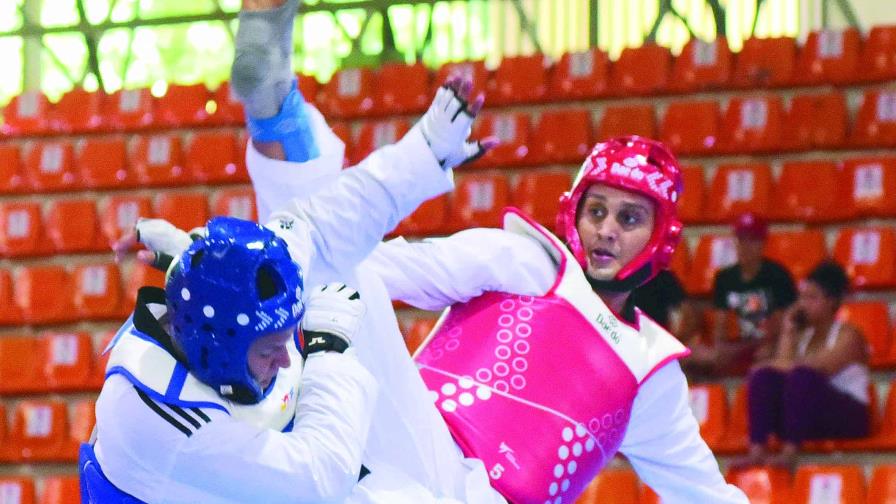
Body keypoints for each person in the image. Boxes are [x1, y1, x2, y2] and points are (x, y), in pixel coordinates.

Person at [86, 51, 504, 504]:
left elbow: (316, 224)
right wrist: (329, 352)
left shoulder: (202, 310)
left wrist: (425, 149)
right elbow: (321, 481)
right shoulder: (161, 418)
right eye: (269, 349)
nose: (286, 361)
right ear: (219, 347)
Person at [739, 260, 870, 470]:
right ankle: (757, 450)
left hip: (848, 416)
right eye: (801, 297)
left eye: (811, 298)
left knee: (802, 376)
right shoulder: (802, 336)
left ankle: (790, 452)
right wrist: (788, 333)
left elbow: (820, 367)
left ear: (831, 302)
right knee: (764, 377)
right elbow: (779, 373)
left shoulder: (849, 335)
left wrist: (778, 364)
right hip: (809, 414)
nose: (802, 304)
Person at [686, 212, 797, 378]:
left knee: (767, 355)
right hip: (737, 345)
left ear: (762, 242)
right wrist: (723, 348)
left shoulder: (778, 275)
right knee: (691, 355)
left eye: (752, 240)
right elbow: (721, 327)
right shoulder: (724, 278)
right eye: (741, 239)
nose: (745, 245)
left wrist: (739, 348)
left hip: (769, 344)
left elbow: (780, 326)